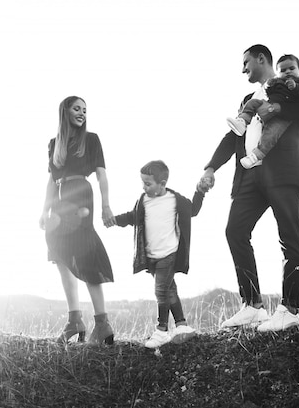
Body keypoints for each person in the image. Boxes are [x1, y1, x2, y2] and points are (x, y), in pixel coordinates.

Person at [199, 44, 299, 332]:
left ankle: (290, 309)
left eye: (246, 62)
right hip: (250, 177)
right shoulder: (248, 99)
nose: (243, 69)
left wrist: (280, 107)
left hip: (283, 173)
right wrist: (210, 167)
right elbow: (233, 136)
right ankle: (253, 305)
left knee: (289, 238)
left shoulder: (291, 85)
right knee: (235, 231)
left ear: (261, 59)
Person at [39, 96, 116, 345]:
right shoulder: (54, 144)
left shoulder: (91, 139)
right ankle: (75, 320)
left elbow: (102, 175)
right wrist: (45, 210)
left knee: (84, 253)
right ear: (65, 112)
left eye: (84, 109)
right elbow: (52, 181)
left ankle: (102, 322)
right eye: (77, 108)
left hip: (81, 194)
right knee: (60, 254)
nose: (82, 113)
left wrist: (105, 205)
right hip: (60, 199)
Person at [110, 160, 210, 348]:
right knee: (170, 290)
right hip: (151, 257)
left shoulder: (175, 200)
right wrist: (115, 220)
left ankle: (161, 330)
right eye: (142, 183)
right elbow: (133, 217)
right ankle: (181, 325)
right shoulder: (143, 201)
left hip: (170, 253)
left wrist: (200, 191)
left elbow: (193, 210)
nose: (144, 187)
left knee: (161, 291)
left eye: (148, 184)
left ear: (162, 184)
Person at [227, 54, 299, 169]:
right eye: (283, 70)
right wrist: (269, 85)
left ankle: (256, 156)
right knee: (252, 103)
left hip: (282, 116)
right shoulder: (278, 81)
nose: (288, 72)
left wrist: (296, 87)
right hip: (268, 105)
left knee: (271, 133)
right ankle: (242, 122)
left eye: (291, 69)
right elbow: (269, 93)